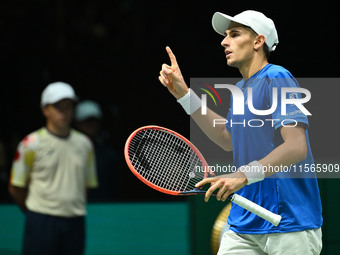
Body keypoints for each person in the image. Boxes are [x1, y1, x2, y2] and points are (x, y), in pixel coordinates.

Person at [158, 10, 322, 255]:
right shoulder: (242, 89)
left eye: (235, 35)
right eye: (225, 36)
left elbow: (296, 147)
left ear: (258, 41)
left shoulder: (277, 77)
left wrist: (243, 175)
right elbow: (228, 139)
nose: (224, 42)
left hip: (287, 222)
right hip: (244, 224)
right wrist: (185, 96)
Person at [8, 82, 98, 255]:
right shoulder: (30, 144)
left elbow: (86, 186)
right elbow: (16, 188)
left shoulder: (85, 144)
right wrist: (36, 213)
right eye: (57, 106)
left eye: (68, 106)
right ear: (45, 110)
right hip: (41, 221)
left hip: (75, 221)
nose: (64, 111)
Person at [74, 100, 120, 201]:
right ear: (77, 123)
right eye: (86, 121)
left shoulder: (109, 156)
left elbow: (115, 191)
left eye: (94, 121)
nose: (91, 125)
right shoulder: (66, 152)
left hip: (104, 210)